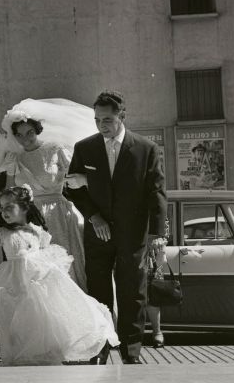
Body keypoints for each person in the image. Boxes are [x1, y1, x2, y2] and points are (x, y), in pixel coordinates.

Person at [67, 90, 167, 364]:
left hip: (133, 235)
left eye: (108, 119)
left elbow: (156, 192)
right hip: (97, 234)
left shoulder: (146, 149)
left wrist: (158, 235)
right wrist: (93, 216)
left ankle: (131, 350)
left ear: (122, 116)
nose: (102, 125)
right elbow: (71, 188)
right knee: (98, 291)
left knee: (132, 291)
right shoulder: (84, 148)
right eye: (97, 119)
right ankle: (99, 347)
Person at [0, 185, 119, 366]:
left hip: (36, 280)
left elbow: (47, 254)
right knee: (16, 319)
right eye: (2, 208)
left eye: (9, 207)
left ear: (24, 208)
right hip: (13, 280)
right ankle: (20, 356)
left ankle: (43, 354)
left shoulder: (37, 231)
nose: (4, 212)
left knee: (41, 317)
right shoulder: (1, 232)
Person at [0, 99, 98, 290]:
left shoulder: (55, 150)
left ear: (37, 130)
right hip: (29, 217)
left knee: (64, 265)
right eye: (19, 135)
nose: (26, 138)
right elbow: (9, 192)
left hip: (59, 213)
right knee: (38, 271)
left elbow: (77, 180)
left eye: (29, 132)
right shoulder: (15, 158)